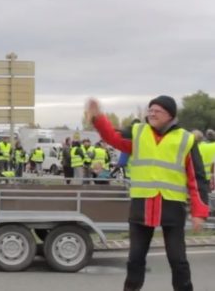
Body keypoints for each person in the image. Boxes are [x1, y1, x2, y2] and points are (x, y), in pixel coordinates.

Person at [87, 95, 209, 291]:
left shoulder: (186, 139)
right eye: (150, 110)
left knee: (178, 260)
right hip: (142, 206)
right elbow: (113, 137)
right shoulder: (138, 132)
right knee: (135, 259)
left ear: (170, 115)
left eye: (157, 110)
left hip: (172, 207)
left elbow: (197, 178)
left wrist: (199, 212)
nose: (151, 113)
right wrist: (98, 118)